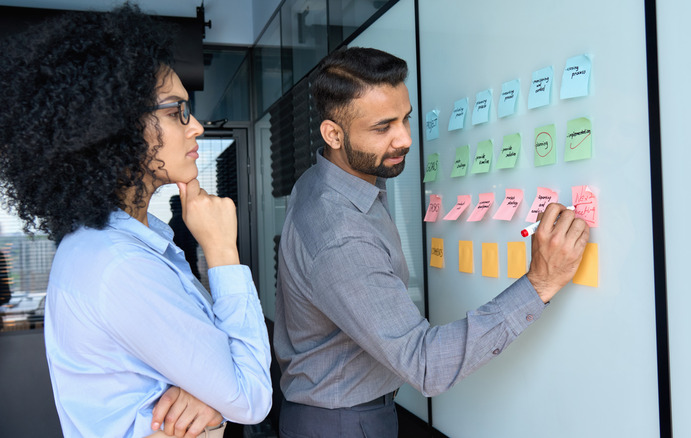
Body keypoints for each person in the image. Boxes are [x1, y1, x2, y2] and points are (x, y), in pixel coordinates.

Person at [273, 47, 590, 437]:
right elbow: (426, 365)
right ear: (333, 134)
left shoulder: (326, 180)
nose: (404, 138)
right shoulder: (340, 232)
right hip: (342, 423)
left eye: (405, 118)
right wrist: (539, 283)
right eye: (382, 127)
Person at [0, 5, 272, 438]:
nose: (197, 126)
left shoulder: (129, 242)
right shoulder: (118, 266)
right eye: (176, 110)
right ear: (116, 126)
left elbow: (214, 367)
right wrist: (222, 250)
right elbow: (251, 396)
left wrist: (209, 391)